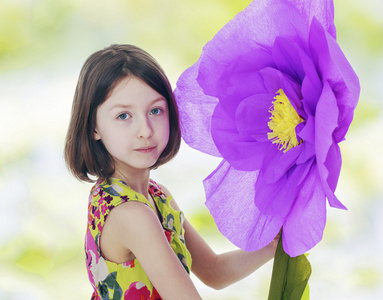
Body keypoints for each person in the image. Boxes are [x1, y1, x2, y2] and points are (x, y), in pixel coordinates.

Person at [64, 44, 279, 300]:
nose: (145, 130)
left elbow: (214, 272)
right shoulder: (131, 213)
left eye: (155, 111)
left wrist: (273, 245)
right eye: (124, 116)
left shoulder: (156, 195)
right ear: (93, 127)